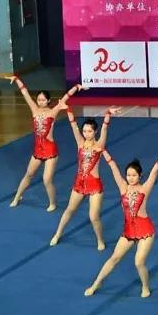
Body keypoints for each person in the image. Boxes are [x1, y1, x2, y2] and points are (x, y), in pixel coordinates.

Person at [84, 150, 158, 298]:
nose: (130, 178)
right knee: (114, 258)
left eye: (134, 175)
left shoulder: (144, 189)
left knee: (138, 262)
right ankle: (96, 283)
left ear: (140, 176)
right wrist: (104, 152)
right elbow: (113, 167)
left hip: (145, 231)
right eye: (128, 175)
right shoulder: (123, 187)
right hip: (129, 231)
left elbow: (154, 172)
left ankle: (145, 286)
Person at [6, 75, 83, 211]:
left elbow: (65, 97)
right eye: (38, 99)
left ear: (48, 101)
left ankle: (52, 203)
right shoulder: (34, 110)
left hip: (50, 150)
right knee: (28, 175)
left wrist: (76, 87)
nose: (40, 102)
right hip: (37, 150)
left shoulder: (52, 112)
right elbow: (25, 94)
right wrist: (17, 79)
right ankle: (17, 197)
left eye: (43, 100)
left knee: (47, 179)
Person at [49, 106, 122, 250]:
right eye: (84, 131)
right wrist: (68, 109)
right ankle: (57, 234)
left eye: (89, 131)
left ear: (95, 131)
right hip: (80, 183)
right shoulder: (80, 143)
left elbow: (105, 128)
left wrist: (108, 113)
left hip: (94, 185)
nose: (86, 134)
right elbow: (73, 126)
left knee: (93, 217)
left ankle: (100, 240)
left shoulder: (99, 145)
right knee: (69, 210)